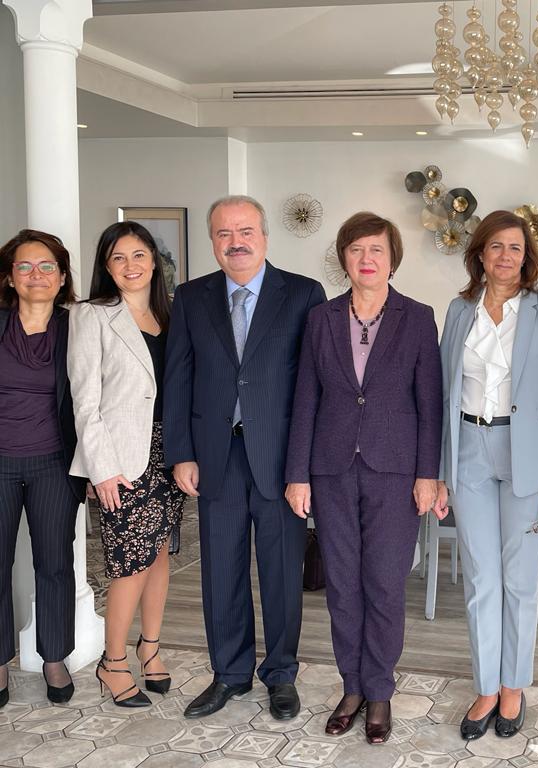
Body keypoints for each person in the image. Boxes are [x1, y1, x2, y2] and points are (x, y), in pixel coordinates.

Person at [164, 195, 326, 720]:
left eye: (245, 231)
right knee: (221, 570)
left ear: (264, 236)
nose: (235, 242)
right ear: (212, 241)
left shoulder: (303, 294)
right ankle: (229, 674)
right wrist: (181, 453)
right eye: (224, 233)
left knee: (281, 572)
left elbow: (314, 386)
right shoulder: (190, 297)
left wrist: (304, 465)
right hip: (216, 456)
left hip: (280, 459)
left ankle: (281, 674)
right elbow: (178, 378)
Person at [285, 212, 443, 744]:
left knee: (384, 584)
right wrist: (298, 474)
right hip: (330, 469)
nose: (366, 259)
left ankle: (379, 690)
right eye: (356, 250)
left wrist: (428, 475)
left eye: (376, 249)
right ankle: (351, 687)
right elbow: (306, 398)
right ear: (344, 259)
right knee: (342, 586)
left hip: (395, 471)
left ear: (392, 258)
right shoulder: (321, 318)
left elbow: (430, 404)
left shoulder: (417, 317)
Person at [437, 210, 538, 740]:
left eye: (514, 247)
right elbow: (443, 393)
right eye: (495, 246)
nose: (505, 256)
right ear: (479, 253)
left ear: (527, 256)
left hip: (529, 458)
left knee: (520, 580)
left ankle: (513, 685)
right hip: (469, 450)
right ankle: (486, 687)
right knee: (480, 579)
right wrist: (441, 471)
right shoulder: (459, 310)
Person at [68, 221, 186, 707]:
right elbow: (84, 400)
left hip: (169, 453)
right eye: (118, 257)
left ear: (154, 261)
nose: (130, 265)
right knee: (129, 563)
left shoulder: (172, 315)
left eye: (139, 255)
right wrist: (101, 468)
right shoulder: (91, 315)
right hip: (121, 460)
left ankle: (149, 648)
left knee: (158, 556)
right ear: (106, 266)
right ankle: (112, 661)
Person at [0, 230, 86, 708]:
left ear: (62, 276)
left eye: (47, 266)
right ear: (10, 278)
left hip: (55, 463)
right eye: (25, 267)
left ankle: (54, 657)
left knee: (54, 564)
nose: (37, 275)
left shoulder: (78, 327)